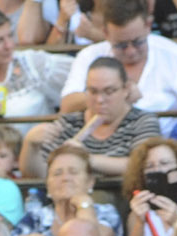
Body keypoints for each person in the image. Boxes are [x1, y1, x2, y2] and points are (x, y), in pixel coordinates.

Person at [74, 0, 177, 119]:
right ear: (105, 33)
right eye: (121, 45)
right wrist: (116, 96)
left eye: (137, 42)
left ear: (148, 25)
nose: (131, 51)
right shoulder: (88, 56)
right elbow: (68, 103)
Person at [26, 57, 165, 180]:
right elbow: (41, 173)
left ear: (126, 89)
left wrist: (84, 159)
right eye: (93, 91)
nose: (99, 99)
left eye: (109, 91)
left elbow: (144, 164)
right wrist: (31, 146)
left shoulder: (143, 120)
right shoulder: (69, 123)